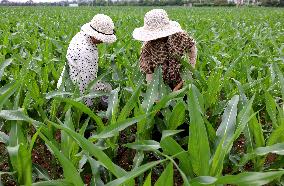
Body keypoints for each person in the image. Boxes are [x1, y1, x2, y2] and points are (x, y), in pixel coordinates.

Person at [57, 14, 116, 106]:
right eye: (103, 38)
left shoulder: (81, 35)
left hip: (68, 83)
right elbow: (87, 85)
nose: (103, 41)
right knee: (111, 92)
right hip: (74, 91)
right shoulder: (84, 51)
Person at [133, 9, 197, 91]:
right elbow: (149, 73)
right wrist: (154, 94)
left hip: (181, 79)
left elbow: (192, 48)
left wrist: (189, 72)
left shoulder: (179, 37)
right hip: (162, 85)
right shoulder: (147, 48)